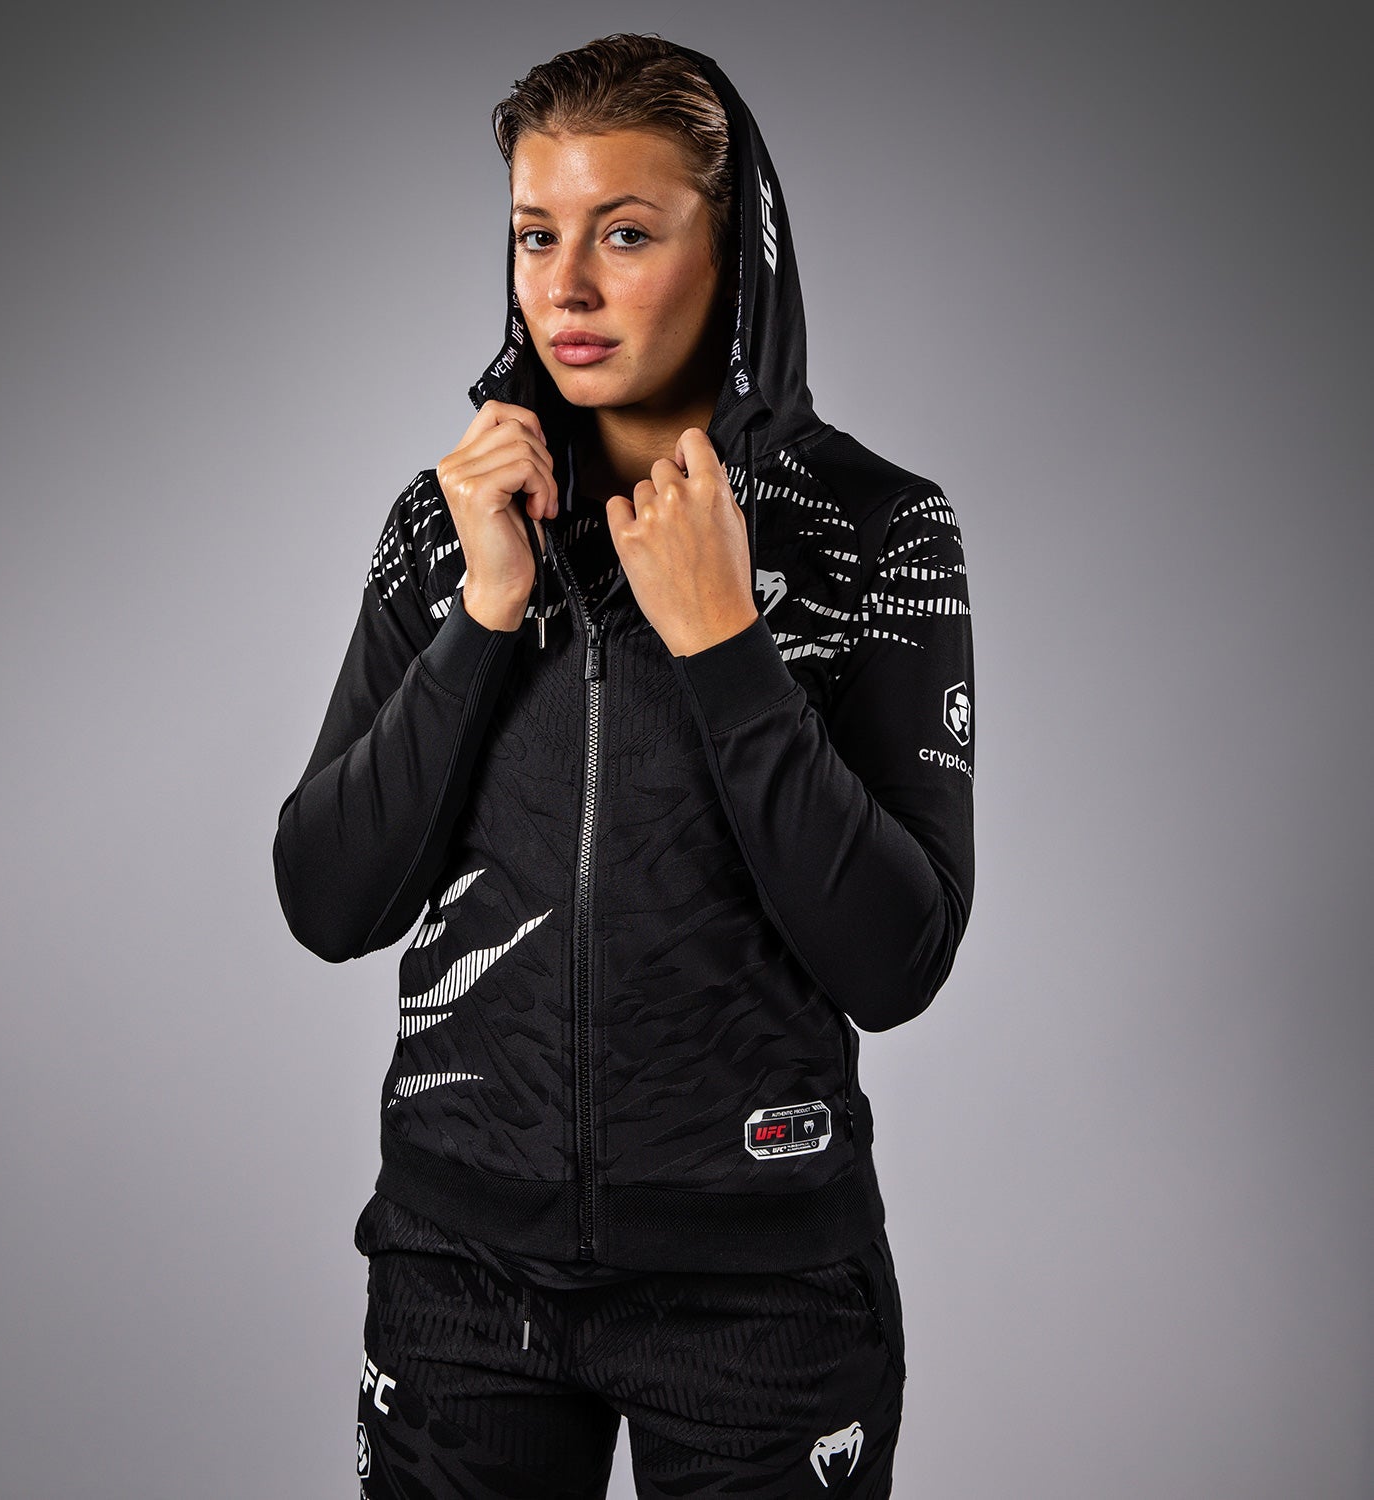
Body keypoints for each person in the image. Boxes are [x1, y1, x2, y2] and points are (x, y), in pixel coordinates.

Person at [273, 32, 975, 1499]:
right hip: (462, 1276)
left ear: (737, 254)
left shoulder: (874, 532)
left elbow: (896, 959)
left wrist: (725, 641)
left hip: (762, 1295)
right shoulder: (449, 523)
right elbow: (329, 899)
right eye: (538, 234)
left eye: (627, 233)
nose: (568, 288)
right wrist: (484, 611)